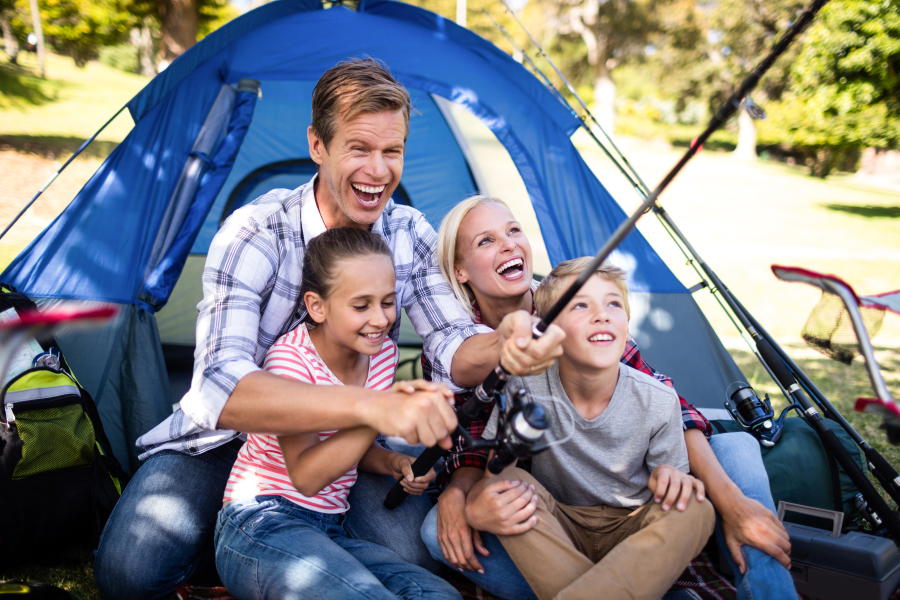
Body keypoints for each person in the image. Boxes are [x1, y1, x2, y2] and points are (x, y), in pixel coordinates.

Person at [93, 60, 563, 600]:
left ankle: (277, 556)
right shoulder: (255, 231)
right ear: (318, 145)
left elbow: (455, 344)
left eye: (393, 151)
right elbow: (222, 387)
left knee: (413, 556)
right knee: (130, 573)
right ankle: (251, 544)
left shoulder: (408, 234)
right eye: (359, 148)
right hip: (225, 443)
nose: (379, 170)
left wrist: (504, 341)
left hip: (340, 451)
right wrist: (371, 409)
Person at [420, 196, 795, 600]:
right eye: (486, 241)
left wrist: (732, 503)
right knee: (436, 532)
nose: (509, 245)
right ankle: (639, 585)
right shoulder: (455, 344)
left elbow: (671, 407)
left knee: (735, 448)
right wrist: (463, 496)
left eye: (514, 231)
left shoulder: (577, 303)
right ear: (459, 270)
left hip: (623, 502)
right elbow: (476, 449)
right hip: (551, 508)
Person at [215, 227, 460, 600]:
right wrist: (377, 414)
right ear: (317, 306)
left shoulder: (380, 356)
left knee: (440, 595)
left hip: (330, 528)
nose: (380, 320)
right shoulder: (291, 361)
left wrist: (396, 462)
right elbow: (307, 476)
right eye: (361, 306)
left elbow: (350, 450)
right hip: (261, 521)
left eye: (388, 302)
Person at [479, 258, 715, 600]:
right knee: (505, 485)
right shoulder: (524, 389)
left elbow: (670, 483)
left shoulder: (659, 399)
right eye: (580, 305)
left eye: (613, 304)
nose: (602, 314)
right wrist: (488, 493)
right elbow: (493, 477)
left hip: (635, 532)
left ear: (627, 323)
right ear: (548, 331)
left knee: (696, 507)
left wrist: (674, 480)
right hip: (560, 527)